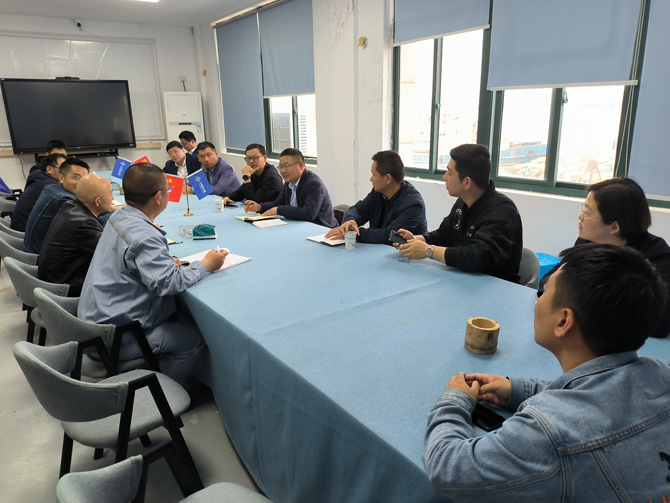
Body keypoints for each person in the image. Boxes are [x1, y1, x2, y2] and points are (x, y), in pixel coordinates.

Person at [424, 244, 669, 502]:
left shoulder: (551, 433)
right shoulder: (660, 373)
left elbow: (448, 467)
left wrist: (455, 399)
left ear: (563, 321)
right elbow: (602, 393)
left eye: (543, 292)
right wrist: (520, 390)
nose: (537, 300)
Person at [77, 163, 227, 383]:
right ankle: (159, 390)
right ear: (158, 197)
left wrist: (163, 263)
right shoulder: (145, 236)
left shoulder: (118, 216)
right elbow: (170, 283)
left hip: (92, 323)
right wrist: (206, 264)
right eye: (168, 190)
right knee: (194, 340)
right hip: (117, 337)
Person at [539, 177, 670, 338]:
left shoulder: (659, 258)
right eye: (583, 209)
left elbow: (659, 322)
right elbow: (548, 281)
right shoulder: (588, 242)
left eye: (587, 213)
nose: (580, 217)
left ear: (614, 227)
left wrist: (578, 301)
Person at [396, 144, 523, 283]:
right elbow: (444, 234)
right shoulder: (463, 201)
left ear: (467, 182)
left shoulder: (503, 211)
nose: (444, 177)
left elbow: (477, 256)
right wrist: (417, 239)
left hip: (494, 286)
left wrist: (429, 251)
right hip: (462, 279)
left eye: (449, 173)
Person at [324, 150, 427, 245]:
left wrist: (354, 234)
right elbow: (359, 209)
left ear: (387, 178)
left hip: (404, 256)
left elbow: (389, 236)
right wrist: (351, 221)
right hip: (378, 251)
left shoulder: (413, 205)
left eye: (373, 174)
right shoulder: (378, 192)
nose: (371, 179)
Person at [37, 174, 114, 296]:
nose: (112, 198)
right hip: (65, 289)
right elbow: (112, 253)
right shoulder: (84, 224)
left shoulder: (70, 207)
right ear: (98, 201)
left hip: (55, 278)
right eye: (110, 194)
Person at [246, 148, 337, 227]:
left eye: (286, 166)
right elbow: (278, 202)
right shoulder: (289, 182)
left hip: (321, 230)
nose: (283, 171)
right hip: (299, 227)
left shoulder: (314, 184)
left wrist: (279, 210)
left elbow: (308, 214)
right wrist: (260, 207)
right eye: (280, 167)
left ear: (301, 165)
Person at [23, 158, 90, 254]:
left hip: (33, 248)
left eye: (84, 179)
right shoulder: (63, 199)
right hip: (39, 256)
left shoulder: (52, 188)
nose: (81, 183)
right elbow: (87, 224)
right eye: (76, 178)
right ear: (61, 178)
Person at [11, 153, 66, 232]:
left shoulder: (40, 178)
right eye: (63, 168)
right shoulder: (49, 186)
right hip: (24, 233)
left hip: (22, 229)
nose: (66, 172)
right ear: (49, 169)